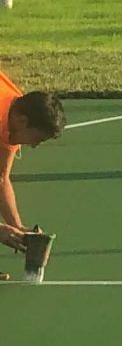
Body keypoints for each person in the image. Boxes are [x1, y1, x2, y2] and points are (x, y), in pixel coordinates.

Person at [1, 71, 65, 278]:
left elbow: (1, 178)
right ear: (22, 121)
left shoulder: (14, 111)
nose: (34, 145)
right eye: (36, 137)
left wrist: (17, 228)